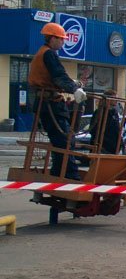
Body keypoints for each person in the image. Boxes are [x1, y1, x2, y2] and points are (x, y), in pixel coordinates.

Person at [30, 22, 84, 180]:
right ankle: (71, 176)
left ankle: (57, 173)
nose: (63, 42)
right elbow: (58, 75)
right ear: (52, 38)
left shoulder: (43, 53)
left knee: (60, 141)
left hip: (46, 103)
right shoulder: (49, 54)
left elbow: (54, 76)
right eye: (61, 39)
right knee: (66, 141)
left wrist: (73, 83)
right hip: (50, 104)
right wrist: (74, 89)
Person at [89, 89, 123, 155]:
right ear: (107, 99)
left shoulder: (114, 112)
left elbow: (117, 129)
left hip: (113, 147)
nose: (116, 100)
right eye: (114, 98)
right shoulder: (99, 112)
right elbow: (93, 129)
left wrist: (120, 142)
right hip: (102, 147)